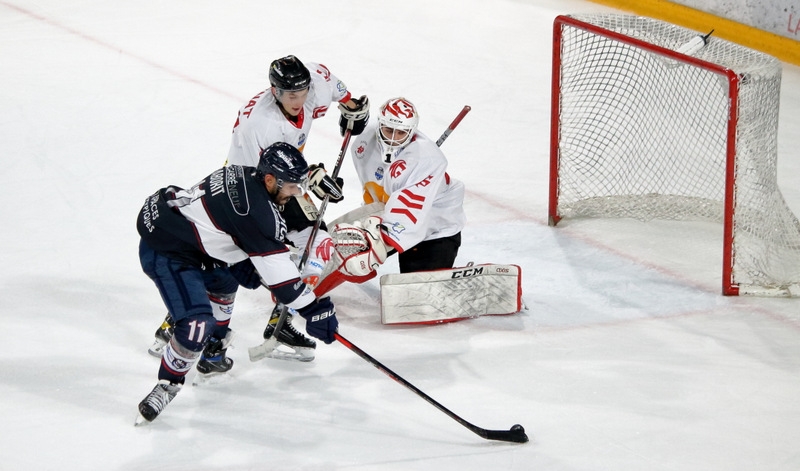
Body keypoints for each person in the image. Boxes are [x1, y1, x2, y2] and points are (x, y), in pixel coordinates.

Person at [148, 55, 368, 362]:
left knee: (314, 240)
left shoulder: (311, 82)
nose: (299, 99)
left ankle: (283, 319)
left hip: (278, 179)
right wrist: (311, 178)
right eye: (292, 95)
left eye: (303, 92)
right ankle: (178, 320)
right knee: (238, 254)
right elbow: (269, 179)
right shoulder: (261, 127)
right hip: (248, 189)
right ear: (274, 91)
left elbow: (335, 85)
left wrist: (352, 106)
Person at [135, 142, 339, 425]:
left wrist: (243, 258)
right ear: (270, 180)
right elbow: (284, 286)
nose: (297, 193)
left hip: (190, 239)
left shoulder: (246, 175)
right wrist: (314, 309)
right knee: (197, 324)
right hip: (166, 249)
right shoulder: (253, 213)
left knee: (225, 283)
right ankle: (167, 384)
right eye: (292, 186)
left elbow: (235, 227)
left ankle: (213, 354)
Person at [317, 97, 466, 294]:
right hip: (388, 210)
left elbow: (406, 218)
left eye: (401, 132)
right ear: (380, 125)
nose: (393, 138)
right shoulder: (364, 141)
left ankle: (453, 280)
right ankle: (307, 288)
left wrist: (376, 243)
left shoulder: (427, 159)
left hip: (434, 225)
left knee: (418, 294)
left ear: (412, 131)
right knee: (348, 245)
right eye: (388, 130)